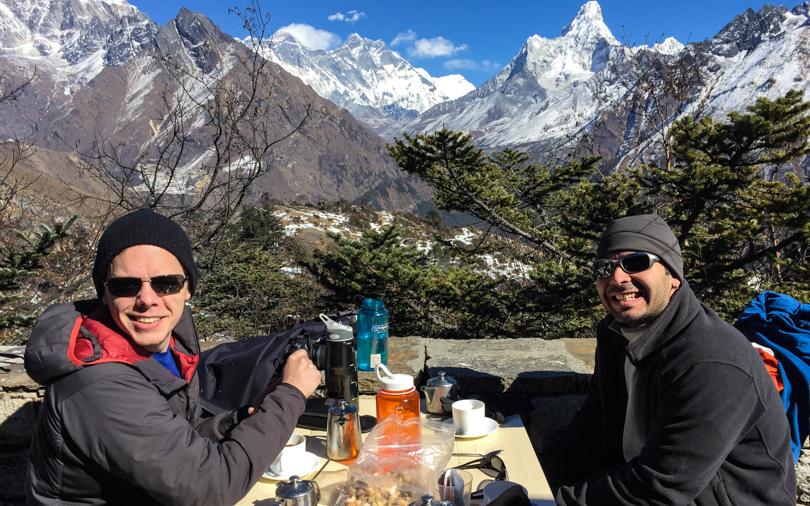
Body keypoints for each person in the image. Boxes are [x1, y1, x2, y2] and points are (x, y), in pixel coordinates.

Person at [24, 209, 322, 506]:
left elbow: (180, 438)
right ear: (104, 293)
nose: (147, 299)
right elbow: (209, 487)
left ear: (188, 287)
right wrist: (290, 394)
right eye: (125, 285)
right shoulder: (98, 381)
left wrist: (243, 418)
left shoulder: (168, 346)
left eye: (166, 283)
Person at [549, 214, 796, 505]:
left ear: (673, 276)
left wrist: (556, 502)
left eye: (636, 262)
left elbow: (660, 486)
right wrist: (542, 480)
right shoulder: (615, 332)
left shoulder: (711, 363)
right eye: (605, 267)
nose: (617, 278)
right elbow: (593, 421)